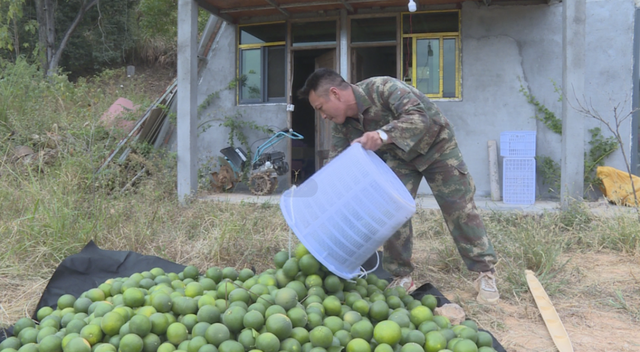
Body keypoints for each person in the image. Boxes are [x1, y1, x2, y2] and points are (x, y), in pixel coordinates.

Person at [297, 68, 500, 304]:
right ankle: (401, 275)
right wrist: (319, 198)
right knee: (389, 210)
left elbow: (419, 118)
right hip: (400, 158)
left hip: (437, 148)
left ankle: (484, 272)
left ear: (335, 94)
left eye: (320, 108)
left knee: (459, 208)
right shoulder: (342, 125)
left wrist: (382, 135)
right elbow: (337, 161)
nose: (322, 116)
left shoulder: (383, 88)